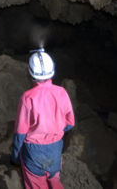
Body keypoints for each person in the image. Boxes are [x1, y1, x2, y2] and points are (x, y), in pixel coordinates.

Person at [11, 48, 75, 189]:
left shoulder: (27, 97)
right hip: (55, 149)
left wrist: (15, 156)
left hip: (34, 153)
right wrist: (54, 130)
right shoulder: (62, 92)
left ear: (30, 73)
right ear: (52, 70)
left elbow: (20, 132)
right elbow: (70, 123)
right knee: (55, 181)